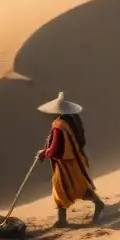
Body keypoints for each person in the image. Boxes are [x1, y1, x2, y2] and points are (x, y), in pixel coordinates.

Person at [36, 92, 104, 227]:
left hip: (65, 164)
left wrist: (44, 152)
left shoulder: (58, 125)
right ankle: (97, 204)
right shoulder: (73, 120)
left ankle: (63, 220)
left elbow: (56, 149)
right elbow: (80, 141)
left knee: (60, 188)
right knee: (79, 185)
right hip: (75, 160)